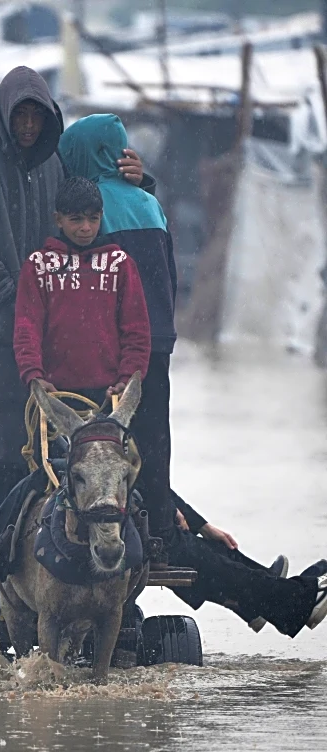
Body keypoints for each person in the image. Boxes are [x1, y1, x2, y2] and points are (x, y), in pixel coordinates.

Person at [57, 114, 327, 637]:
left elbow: (87, 297)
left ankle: (279, 599)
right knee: (150, 483)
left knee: (151, 516)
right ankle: (263, 593)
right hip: (155, 354)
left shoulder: (84, 218)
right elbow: (167, 281)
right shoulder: (150, 205)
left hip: (109, 362)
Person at [0, 70, 148, 567]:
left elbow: (94, 196)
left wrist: (142, 180)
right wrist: (17, 296)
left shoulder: (56, 165)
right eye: (21, 115)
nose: (29, 125)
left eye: (38, 114)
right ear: (4, 115)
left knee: (52, 463)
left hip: (49, 345)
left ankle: (50, 564)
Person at [14, 176, 150, 405]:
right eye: (75, 219)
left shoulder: (120, 264)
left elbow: (137, 331)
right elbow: (27, 328)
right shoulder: (37, 265)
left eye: (93, 219)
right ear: (58, 219)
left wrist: (127, 380)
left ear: (101, 218)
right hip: (53, 392)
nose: (85, 228)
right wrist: (33, 376)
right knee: (45, 442)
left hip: (110, 395)